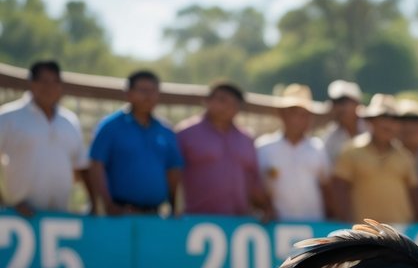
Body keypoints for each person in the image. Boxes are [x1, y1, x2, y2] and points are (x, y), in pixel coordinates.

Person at [86, 70, 183, 216]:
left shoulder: (166, 131)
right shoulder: (110, 127)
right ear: (128, 94)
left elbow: (173, 171)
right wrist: (107, 205)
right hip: (119, 214)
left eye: (153, 91)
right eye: (143, 91)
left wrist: (173, 207)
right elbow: (96, 166)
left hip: (155, 216)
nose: (148, 96)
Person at [0, 60, 88, 215]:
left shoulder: (69, 121)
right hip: (18, 218)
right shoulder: (8, 117)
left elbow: (79, 168)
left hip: (59, 217)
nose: (49, 87)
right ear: (32, 84)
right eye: (44, 81)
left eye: (55, 82)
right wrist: (5, 203)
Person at [176, 81, 270, 218]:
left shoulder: (246, 139)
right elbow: (172, 175)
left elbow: (254, 180)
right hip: (196, 220)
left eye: (233, 103)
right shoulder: (186, 134)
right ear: (207, 101)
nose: (227, 107)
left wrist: (264, 207)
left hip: (239, 222)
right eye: (222, 100)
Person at [331, 94, 418, 224]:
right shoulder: (351, 151)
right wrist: (346, 224)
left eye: (393, 119)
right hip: (363, 232)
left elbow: (415, 195)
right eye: (382, 118)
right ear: (371, 121)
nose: (388, 124)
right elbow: (339, 190)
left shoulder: (405, 156)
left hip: (400, 232)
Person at [255, 84, 331, 222]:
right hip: (276, 226)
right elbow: (256, 186)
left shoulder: (317, 148)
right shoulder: (264, 147)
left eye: (303, 114)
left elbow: (326, 188)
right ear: (282, 114)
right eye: (293, 113)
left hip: (313, 225)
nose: (298, 119)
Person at [322, 79, 365, 162]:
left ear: (356, 103)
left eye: (342, 102)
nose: (339, 108)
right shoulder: (330, 139)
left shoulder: (372, 128)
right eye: (335, 103)